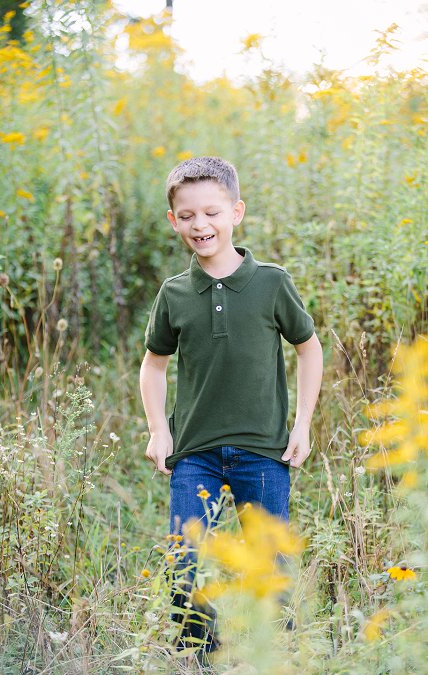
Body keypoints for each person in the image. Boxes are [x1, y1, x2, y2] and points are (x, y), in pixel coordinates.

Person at [138, 157, 323, 656]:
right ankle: (199, 655)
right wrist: (160, 429)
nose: (201, 224)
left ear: (236, 212)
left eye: (213, 213)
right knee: (183, 562)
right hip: (194, 451)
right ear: (173, 220)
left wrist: (302, 423)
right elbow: (153, 365)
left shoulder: (271, 283)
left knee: (270, 568)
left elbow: (309, 348)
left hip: (263, 451)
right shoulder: (174, 293)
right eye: (188, 215)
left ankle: (277, 657)